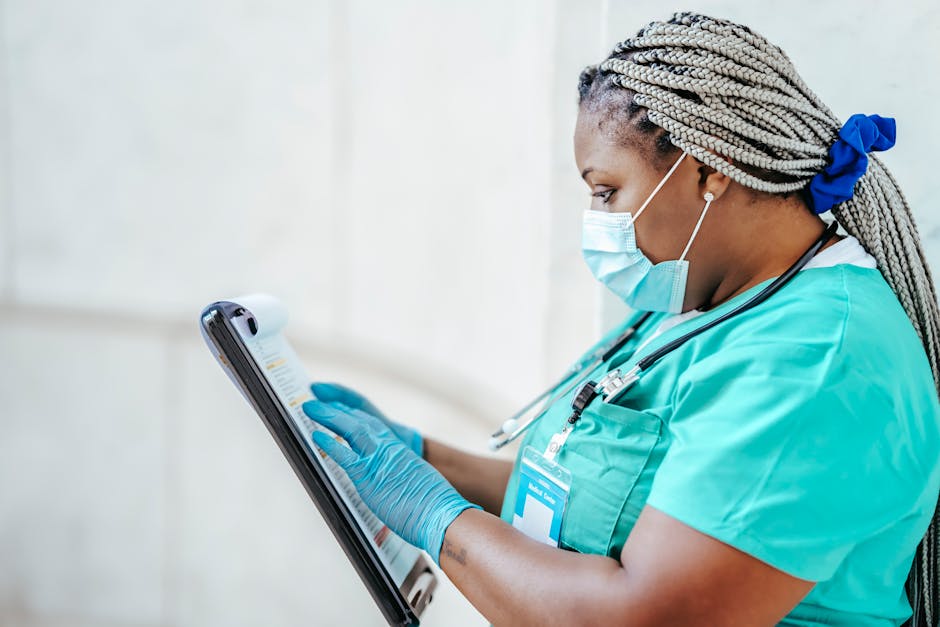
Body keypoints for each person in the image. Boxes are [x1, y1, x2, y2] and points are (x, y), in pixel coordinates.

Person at [302, 12, 940, 626]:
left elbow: (645, 617)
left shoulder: (818, 358)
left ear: (708, 171)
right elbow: (584, 504)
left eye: (606, 190)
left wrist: (434, 516)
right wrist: (416, 458)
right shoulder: (702, 301)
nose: (596, 219)